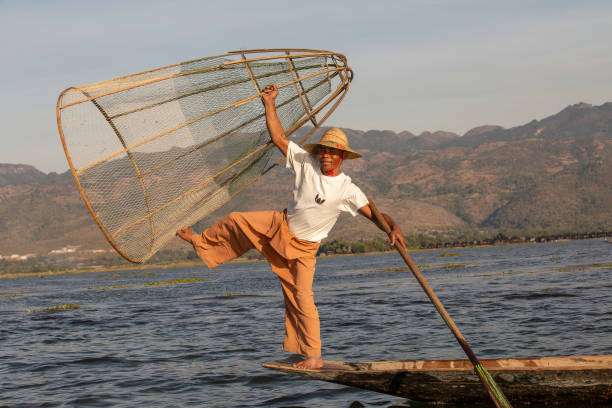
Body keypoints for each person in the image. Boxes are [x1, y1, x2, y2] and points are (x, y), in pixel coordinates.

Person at [176, 84, 406, 369]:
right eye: (324, 151)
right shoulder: (305, 161)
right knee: (236, 219)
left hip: (305, 249)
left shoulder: (348, 189)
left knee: (301, 298)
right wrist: (269, 103)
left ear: (342, 156)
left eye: (333, 153)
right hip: (280, 225)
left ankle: (313, 357)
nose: (326, 156)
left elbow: (376, 214)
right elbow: (278, 137)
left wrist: (392, 228)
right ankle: (201, 242)